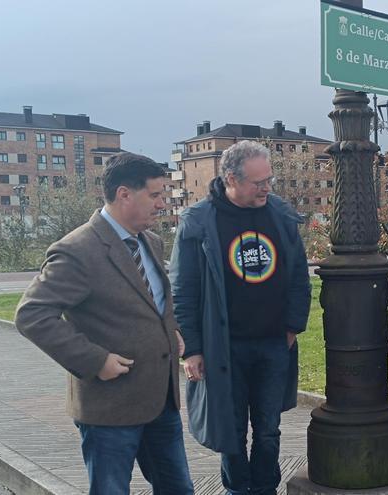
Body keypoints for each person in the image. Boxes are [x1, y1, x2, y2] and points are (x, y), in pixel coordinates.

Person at [15, 153, 194, 495]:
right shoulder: (77, 250)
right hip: (110, 407)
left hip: (161, 400)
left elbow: (154, 301)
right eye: (155, 195)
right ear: (125, 194)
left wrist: (170, 331)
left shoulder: (151, 242)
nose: (163, 204)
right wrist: (95, 361)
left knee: (179, 489)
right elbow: (32, 314)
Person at [170, 140, 311, 495]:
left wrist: (293, 326)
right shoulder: (199, 221)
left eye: (269, 180)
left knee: (268, 429)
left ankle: (265, 489)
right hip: (224, 347)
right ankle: (237, 490)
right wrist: (193, 349)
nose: (267, 188)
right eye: (258, 182)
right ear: (231, 178)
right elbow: (184, 292)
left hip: (273, 344)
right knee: (229, 429)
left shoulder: (280, 213)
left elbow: (298, 275)